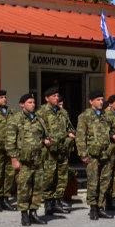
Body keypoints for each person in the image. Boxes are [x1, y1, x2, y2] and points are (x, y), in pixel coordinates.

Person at [5, 93, 50, 225]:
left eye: (34, 102)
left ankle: (34, 212)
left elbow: (44, 135)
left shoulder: (39, 119)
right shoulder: (15, 119)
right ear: (22, 104)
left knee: (37, 187)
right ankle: (24, 214)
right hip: (23, 160)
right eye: (29, 102)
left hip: (37, 159)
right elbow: (10, 141)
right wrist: (14, 158)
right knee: (24, 187)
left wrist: (46, 141)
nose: (33, 105)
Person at [75, 91, 114, 221]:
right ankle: (93, 207)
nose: (101, 102)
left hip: (105, 154)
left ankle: (101, 206)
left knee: (105, 181)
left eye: (102, 99)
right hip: (92, 155)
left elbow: (110, 132)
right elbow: (80, 136)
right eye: (98, 99)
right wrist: (83, 154)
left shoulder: (105, 116)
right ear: (91, 101)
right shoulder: (84, 116)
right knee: (93, 181)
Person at [36, 87, 74, 216]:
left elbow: (70, 128)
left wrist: (70, 136)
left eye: (58, 96)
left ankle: (58, 202)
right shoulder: (41, 112)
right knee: (49, 177)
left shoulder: (63, 113)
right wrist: (44, 141)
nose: (56, 98)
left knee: (62, 177)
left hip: (63, 150)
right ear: (47, 98)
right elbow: (36, 132)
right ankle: (48, 204)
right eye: (53, 96)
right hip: (49, 152)